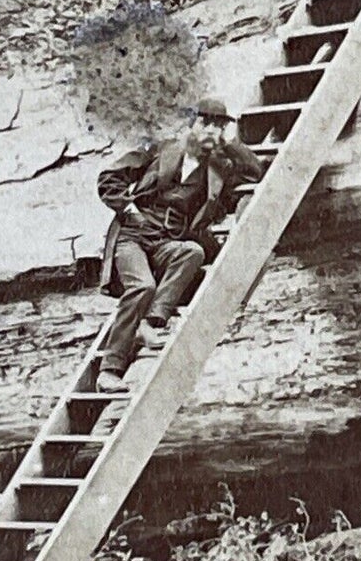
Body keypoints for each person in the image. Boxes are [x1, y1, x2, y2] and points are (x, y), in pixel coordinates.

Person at [93, 96, 266, 393]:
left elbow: (255, 171)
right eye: (205, 123)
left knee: (192, 252)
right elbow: (109, 177)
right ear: (192, 124)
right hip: (132, 235)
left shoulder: (218, 166)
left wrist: (229, 143)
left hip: (168, 239)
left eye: (217, 126)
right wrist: (127, 209)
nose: (210, 131)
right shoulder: (162, 149)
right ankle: (109, 372)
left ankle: (151, 323)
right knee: (142, 287)